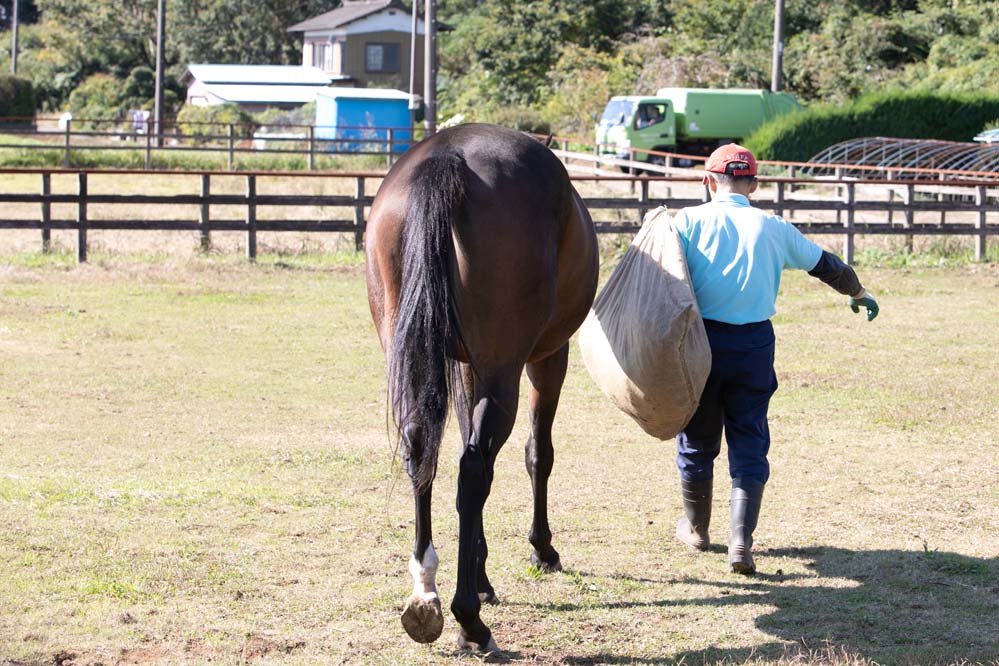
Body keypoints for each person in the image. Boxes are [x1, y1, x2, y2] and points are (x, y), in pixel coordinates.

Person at [671, 143, 879, 575]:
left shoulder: (686, 221)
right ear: (754, 184)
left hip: (701, 344)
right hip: (753, 347)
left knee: (697, 436)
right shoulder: (772, 226)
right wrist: (858, 293)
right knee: (749, 438)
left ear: (707, 181)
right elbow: (828, 265)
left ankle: (695, 528)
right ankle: (741, 544)